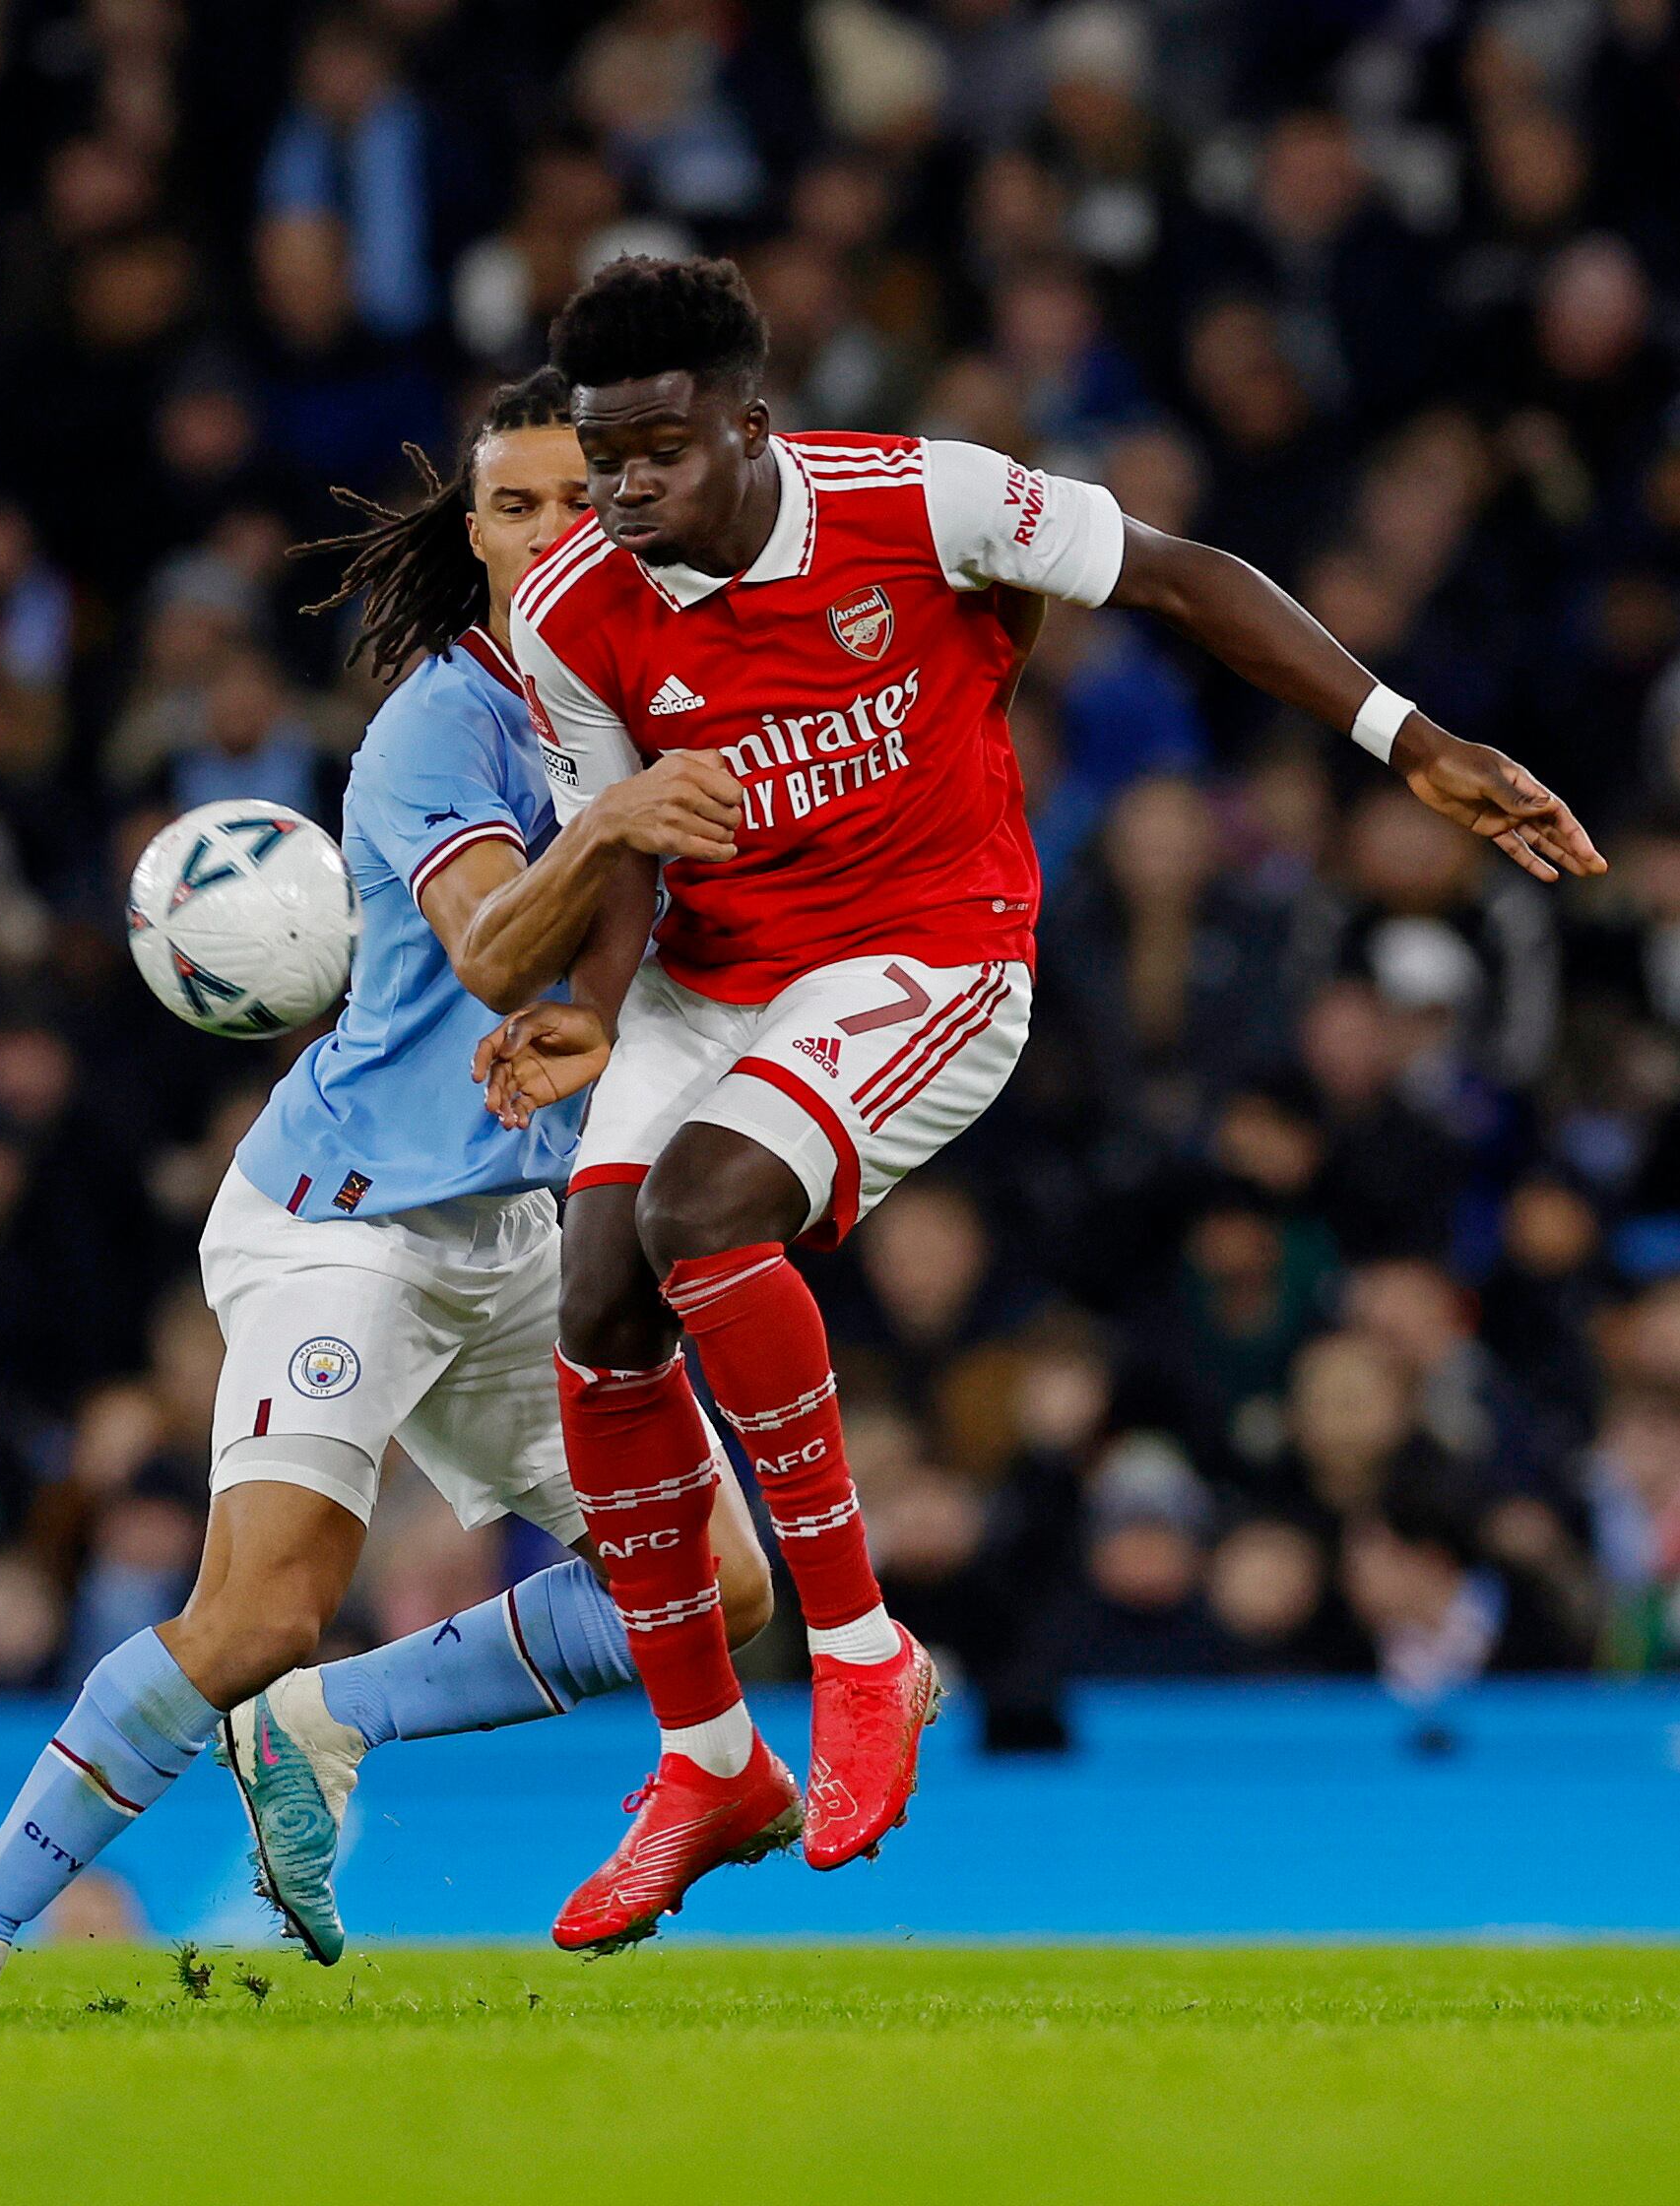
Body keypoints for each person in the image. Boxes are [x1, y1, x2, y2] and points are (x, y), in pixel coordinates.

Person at [470, 254, 1603, 1956]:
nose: (626, 486)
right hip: (711, 985)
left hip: (927, 957)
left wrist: (1409, 740)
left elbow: (1182, 577)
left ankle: (862, 1654)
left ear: (748, 426)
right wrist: (582, 1003)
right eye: (604, 453)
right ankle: (706, 1762)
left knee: (698, 1213)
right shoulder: (567, 612)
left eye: (660, 449)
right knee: (600, 1304)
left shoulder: (919, 498)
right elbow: (637, 836)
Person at [0, 370, 770, 2015]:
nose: (556, 529)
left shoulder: (672, 701)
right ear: (478, 534)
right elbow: (496, 946)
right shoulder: (443, 719)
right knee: (258, 1607)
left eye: (586, 498)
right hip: (345, 1215)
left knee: (717, 1585)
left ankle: (328, 1721)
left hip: (519, 1232)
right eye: (518, 504)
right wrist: (629, 817)